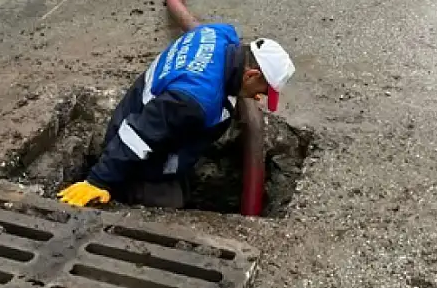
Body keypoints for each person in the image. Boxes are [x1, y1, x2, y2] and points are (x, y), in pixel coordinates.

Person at [57, 23, 295, 209]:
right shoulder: (194, 101)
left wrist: (237, 90)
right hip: (135, 149)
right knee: (170, 205)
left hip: (149, 111)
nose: (260, 97)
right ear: (251, 75)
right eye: (262, 91)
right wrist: (99, 181)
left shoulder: (219, 34)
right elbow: (139, 136)